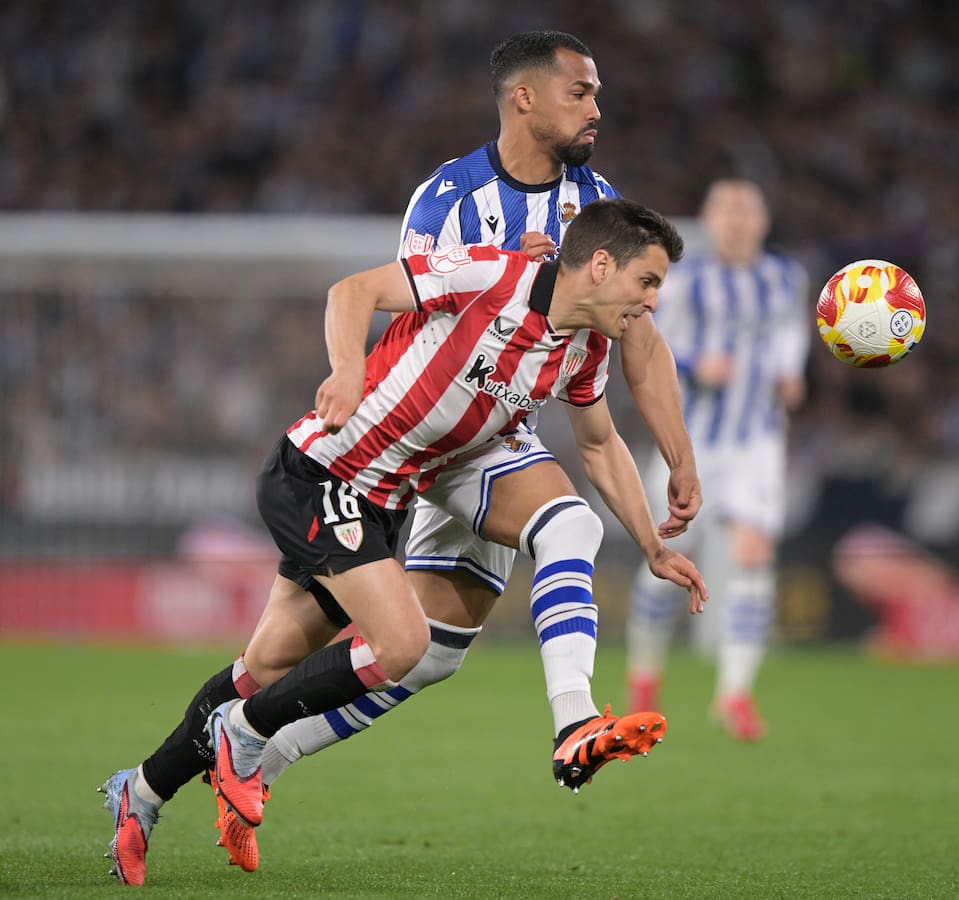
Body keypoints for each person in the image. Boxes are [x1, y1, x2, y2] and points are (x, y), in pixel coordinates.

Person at [99, 198, 707, 886]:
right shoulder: (492, 276)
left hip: (384, 502)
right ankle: (246, 735)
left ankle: (142, 790)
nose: (652, 304)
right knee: (403, 646)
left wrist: (652, 546)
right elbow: (352, 290)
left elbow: (598, 444)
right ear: (601, 265)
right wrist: (348, 368)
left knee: (265, 665)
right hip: (322, 473)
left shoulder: (584, 348)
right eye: (647, 282)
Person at [625, 178, 809, 740]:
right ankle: (644, 676)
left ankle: (733, 694)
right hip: (692, 443)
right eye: (726, 210)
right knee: (668, 561)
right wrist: (695, 364)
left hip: (757, 443)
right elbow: (647, 343)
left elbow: (792, 335)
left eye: (746, 209)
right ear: (709, 220)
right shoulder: (684, 281)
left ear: (763, 220)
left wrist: (791, 374)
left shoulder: (786, 279)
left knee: (753, 555)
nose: (736, 219)